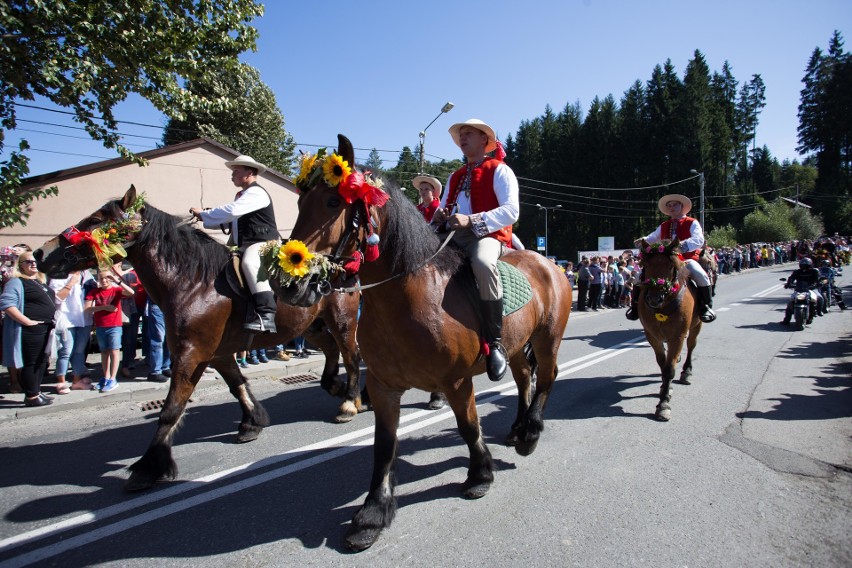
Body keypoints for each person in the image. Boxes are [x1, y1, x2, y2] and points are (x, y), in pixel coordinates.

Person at [431, 119, 519, 382]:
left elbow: (512, 211)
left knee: (482, 263)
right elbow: (446, 209)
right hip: (455, 235)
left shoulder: (500, 170)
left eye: (468, 134)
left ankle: (495, 342)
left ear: (484, 140)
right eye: (461, 135)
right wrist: (441, 215)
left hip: (489, 235)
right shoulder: (454, 176)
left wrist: (471, 220)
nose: (462, 138)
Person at [190, 155, 280, 333]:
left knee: (250, 262)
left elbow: (232, 211)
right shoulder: (243, 195)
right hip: (246, 244)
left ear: (249, 172)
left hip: (264, 243)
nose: (232, 175)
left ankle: (266, 313)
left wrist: (205, 214)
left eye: (236, 171)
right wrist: (205, 218)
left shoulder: (256, 192)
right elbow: (232, 221)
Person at [626, 194, 716, 323]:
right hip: (665, 261)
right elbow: (653, 237)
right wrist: (644, 240)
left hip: (685, 260)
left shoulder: (692, 222)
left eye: (675, 204)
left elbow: (698, 239)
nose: (671, 207)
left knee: (700, 274)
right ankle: (635, 307)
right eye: (669, 205)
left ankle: (706, 307)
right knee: (638, 276)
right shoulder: (664, 225)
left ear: (682, 207)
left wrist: (681, 247)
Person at [0, 252, 57, 406]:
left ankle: (36, 391)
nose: (33, 264)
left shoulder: (40, 282)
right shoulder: (17, 282)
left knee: (41, 362)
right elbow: (7, 304)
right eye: (28, 261)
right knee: (31, 362)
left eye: (36, 261)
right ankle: (31, 396)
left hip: (46, 327)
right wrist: (27, 322)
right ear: (21, 265)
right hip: (31, 329)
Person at [85, 266, 135, 392]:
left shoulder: (116, 290)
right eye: (102, 278)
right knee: (104, 352)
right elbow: (87, 309)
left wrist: (116, 280)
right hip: (101, 326)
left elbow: (131, 292)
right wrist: (104, 307)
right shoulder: (94, 292)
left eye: (107, 278)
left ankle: (113, 378)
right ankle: (106, 377)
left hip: (114, 326)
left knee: (114, 351)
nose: (104, 281)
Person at [48, 269, 96, 392]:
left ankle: (76, 380)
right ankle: (61, 382)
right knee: (66, 351)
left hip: (84, 319)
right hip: (66, 319)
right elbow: (57, 298)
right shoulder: (58, 275)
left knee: (79, 352)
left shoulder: (87, 275)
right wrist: (71, 283)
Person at [781, 257, 824, 324]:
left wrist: (818, 283)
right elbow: (791, 278)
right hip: (799, 289)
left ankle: (819, 311)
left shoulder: (815, 271)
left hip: (811, 289)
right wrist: (788, 284)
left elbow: (818, 279)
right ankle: (786, 320)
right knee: (790, 302)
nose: (804, 267)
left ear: (810, 265)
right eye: (803, 265)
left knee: (819, 298)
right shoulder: (797, 271)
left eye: (806, 265)